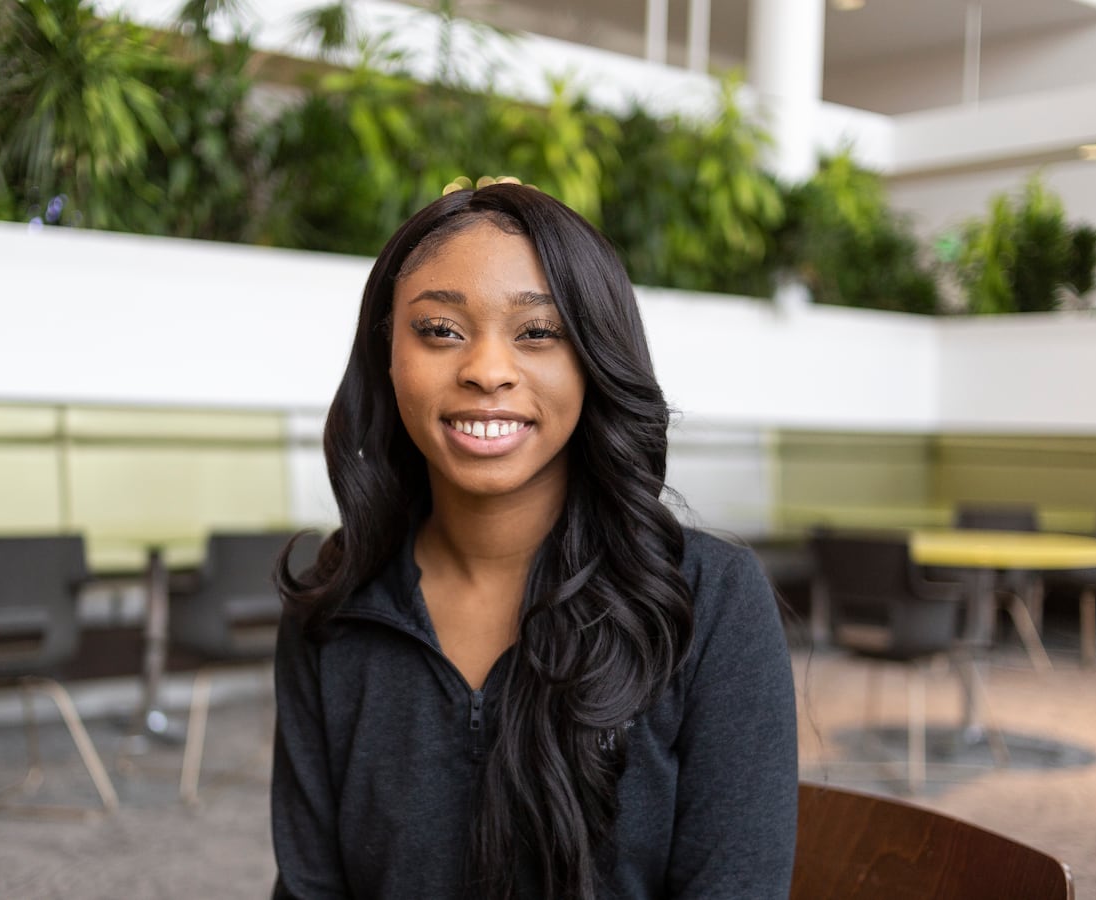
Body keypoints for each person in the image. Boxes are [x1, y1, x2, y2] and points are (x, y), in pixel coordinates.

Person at [271, 182, 796, 899]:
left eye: (538, 333)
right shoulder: (333, 608)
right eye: (440, 330)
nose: (487, 370)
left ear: (593, 357)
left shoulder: (709, 603)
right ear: (386, 354)